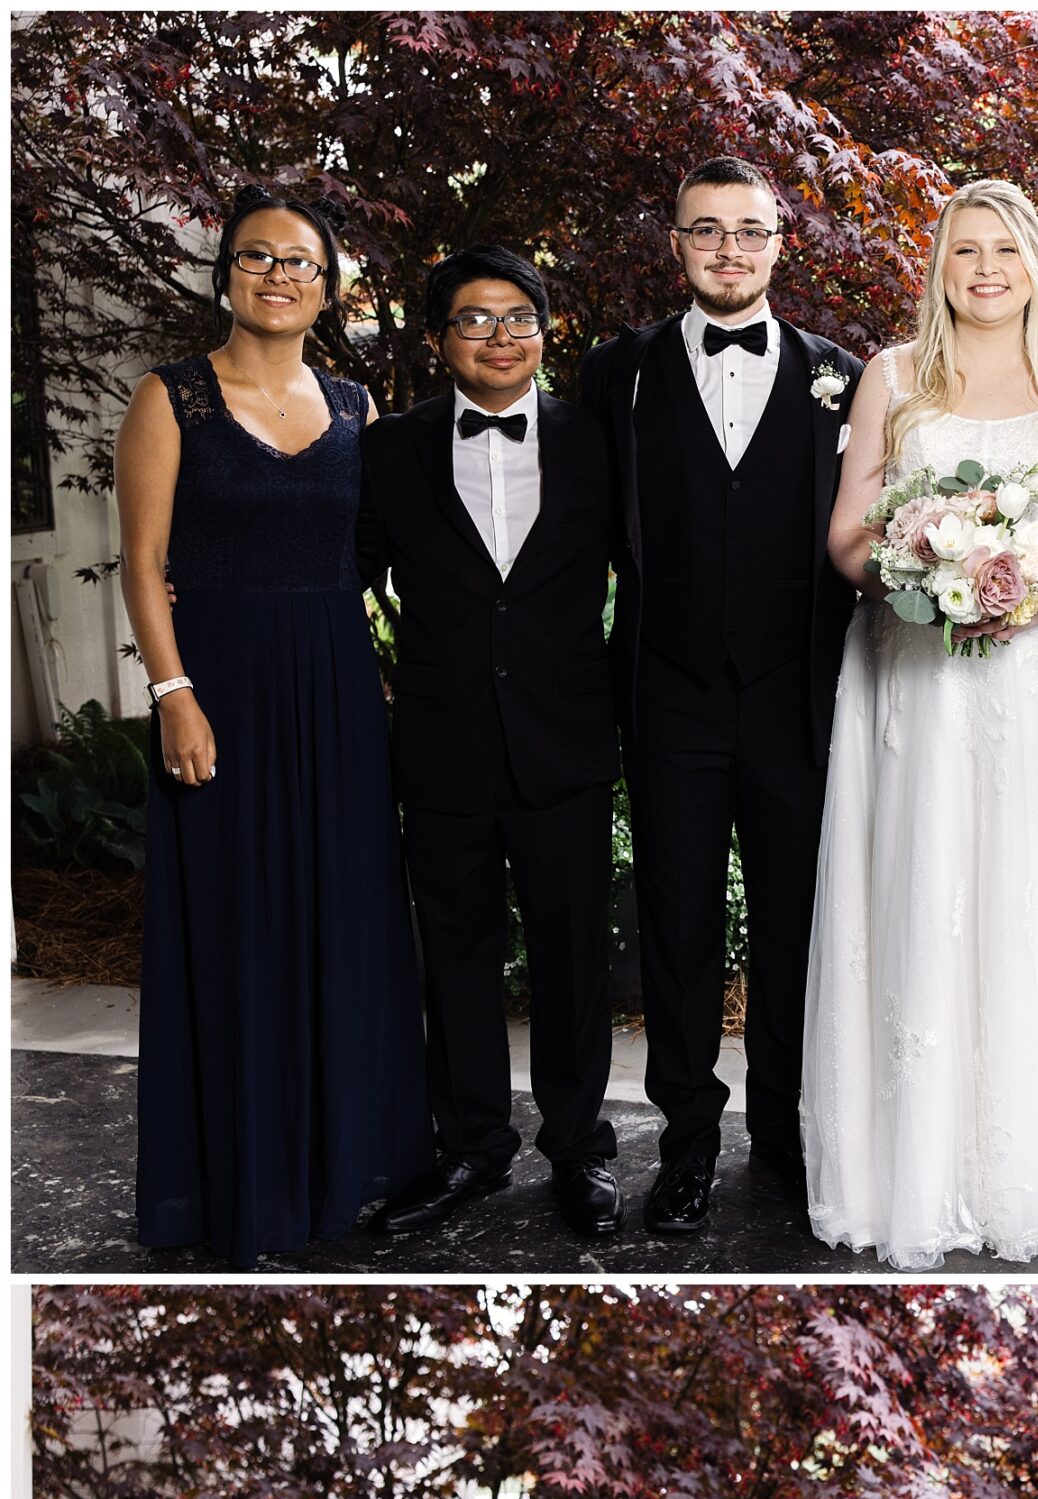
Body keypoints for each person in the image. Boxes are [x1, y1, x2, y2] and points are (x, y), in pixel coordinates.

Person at [802, 177, 1038, 1270]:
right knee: (921, 894)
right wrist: (927, 574)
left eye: (1003, 251)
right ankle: (909, 1172)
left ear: (1034, 265)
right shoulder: (892, 377)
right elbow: (844, 539)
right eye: (964, 251)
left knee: (1035, 899)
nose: (983, 271)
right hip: (916, 688)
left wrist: (1023, 597)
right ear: (940, 266)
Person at [118, 184, 433, 1267]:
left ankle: (341, 1169)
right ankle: (242, 1182)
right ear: (227, 273)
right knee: (239, 926)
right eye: (259, 257)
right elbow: (144, 566)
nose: (281, 276)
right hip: (219, 689)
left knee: (341, 920)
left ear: (329, 285)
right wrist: (174, 695)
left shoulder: (355, 409)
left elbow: (384, 563)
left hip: (337, 689)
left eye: (302, 262)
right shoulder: (172, 400)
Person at [579, 158, 862, 1238]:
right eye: (707, 232)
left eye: (748, 232)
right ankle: (687, 1145)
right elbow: (586, 526)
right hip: (669, 700)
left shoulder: (841, 372)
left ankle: (785, 1139)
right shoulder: (622, 374)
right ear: (677, 247)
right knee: (679, 928)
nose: (728, 251)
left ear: (781, 244)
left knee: (796, 929)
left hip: (797, 701)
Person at [360, 245, 623, 1244]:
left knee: (570, 958)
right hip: (442, 741)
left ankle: (577, 1144)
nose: (500, 336)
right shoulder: (391, 452)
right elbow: (338, 567)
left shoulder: (598, 442)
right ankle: (471, 1143)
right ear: (438, 341)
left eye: (519, 318)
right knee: (457, 956)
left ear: (544, 335)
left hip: (564, 740)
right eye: (474, 319)